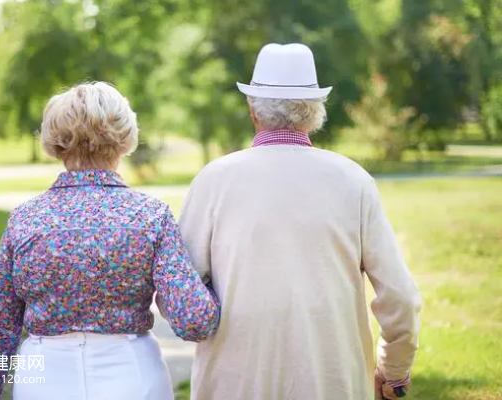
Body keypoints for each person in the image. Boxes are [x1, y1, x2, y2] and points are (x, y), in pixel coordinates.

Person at [179, 43, 421, 400]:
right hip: (333, 382)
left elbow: (181, 291)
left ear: (252, 109)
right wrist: (394, 372)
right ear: (315, 111)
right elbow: (399, 296)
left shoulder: (214, 179)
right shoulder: (353, 180)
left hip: (235, 384)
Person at [0, 82, 220, 400]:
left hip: (44, 377)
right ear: (125, 139)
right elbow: (194, 321)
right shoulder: (150, 215)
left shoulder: (25, 219)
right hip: (132, 373)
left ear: (55, 142)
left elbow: (1, 326)